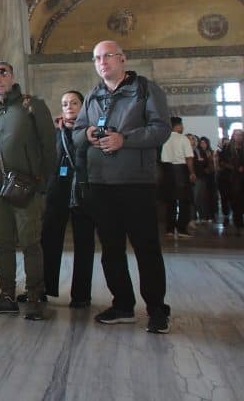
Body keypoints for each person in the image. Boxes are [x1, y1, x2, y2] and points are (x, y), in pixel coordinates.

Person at [73, 40, 172, 334]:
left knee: (146, 248)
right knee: (111, 249)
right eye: (97, 58)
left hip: (135, 183)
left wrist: (124, 139)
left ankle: (156, 309)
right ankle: (123, 305)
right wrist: (89, 132)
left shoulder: (145, 90)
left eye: (108, 57)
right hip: (101, 183)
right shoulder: (93, 95)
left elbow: (161, 129)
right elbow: (77, 131)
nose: (102, 62)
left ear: (123, 59)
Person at [0, 60, 55, 321]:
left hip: (26, 186)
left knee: (30, 242)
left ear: (12, 77)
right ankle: (7, 295)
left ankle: (34, 297)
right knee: (3, 243)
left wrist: (41, 184)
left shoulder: (32, 106)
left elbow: (48, 147)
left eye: (3, 73)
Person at [40, 90, 95, 308]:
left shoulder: (89, 132)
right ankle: (44, 288)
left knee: (84, 243)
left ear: (82, 107)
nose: (69, 107)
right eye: (65, 103)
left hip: (83, 190)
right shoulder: (55, 131)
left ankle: (81, 295)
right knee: (49, 240)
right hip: (58, 190)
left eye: (74, 103)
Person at [160, 117, 196, 238]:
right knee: (184, 200)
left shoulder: (164, 138)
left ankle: (169, 229)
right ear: (178, 126)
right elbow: (189, 157)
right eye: (182, 125)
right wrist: (191, 172)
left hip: (167, 170)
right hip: (180, 170)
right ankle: (181, 229)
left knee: (170, 201)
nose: (183, 127)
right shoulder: (183, 138)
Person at [217, 130, 244, 233]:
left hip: (241, 178)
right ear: (233, 136)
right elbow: (222, 162)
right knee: (233, 199)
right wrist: (234, 168)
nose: (239, 137)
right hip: (229, 178)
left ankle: (239, 219)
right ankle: (235, 220)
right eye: (237, 135)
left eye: (241, 135)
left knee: (240, 199)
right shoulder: (227, 147)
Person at [193, 136, 216, 224]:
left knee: (205, 197)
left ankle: (207, 215)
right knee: (198, 198)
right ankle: (198, 216)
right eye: (201, 143)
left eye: (204, 143)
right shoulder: (197, 151)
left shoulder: (206, 152)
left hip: (207, 177)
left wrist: (208, 167)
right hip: (199, 176)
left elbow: (209, 165)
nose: (202, 144)